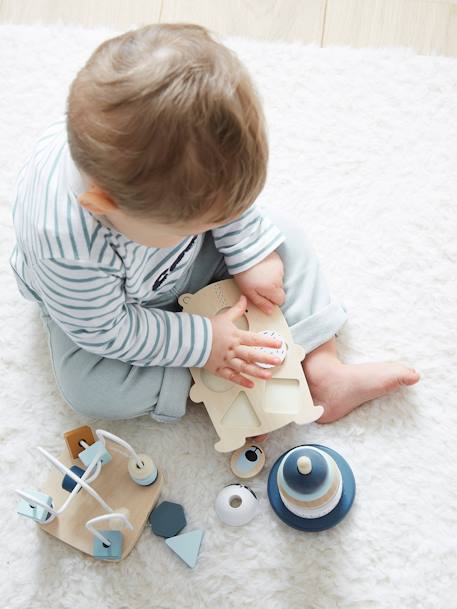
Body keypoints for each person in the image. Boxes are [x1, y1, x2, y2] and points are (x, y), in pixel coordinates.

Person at [9, 23, 419, 439]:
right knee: (91, 386)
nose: (218, 221)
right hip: (106, 312)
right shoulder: (67, 251)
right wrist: (204, 344)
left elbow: (224, 199)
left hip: (173, 261)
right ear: (106, 207)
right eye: (202, 222)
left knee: (284, 239)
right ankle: (225, 391)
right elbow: (109, 330)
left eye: (221, 214)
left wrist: (247, 249)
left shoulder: (155, 177)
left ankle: (323, 369)